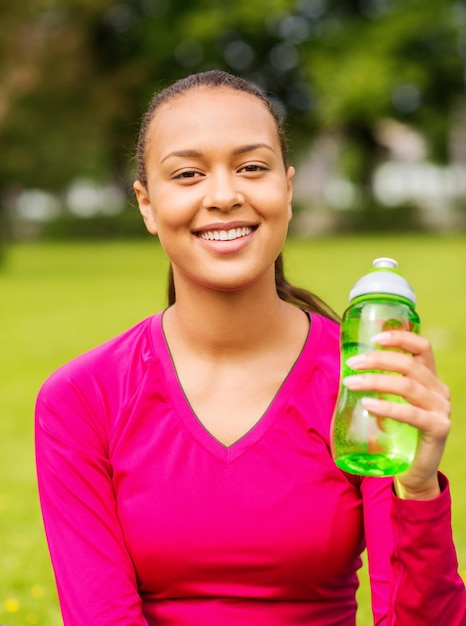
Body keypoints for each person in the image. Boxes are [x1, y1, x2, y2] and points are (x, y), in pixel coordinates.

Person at [35, 70, 466, 625]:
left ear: (287, 189)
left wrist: (419, 488)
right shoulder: (81, 398)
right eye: (188, 174)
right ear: (145, 203)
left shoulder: (363, 380)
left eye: (252, 168)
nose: (224, 195)